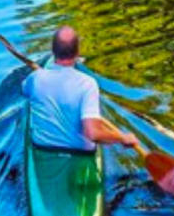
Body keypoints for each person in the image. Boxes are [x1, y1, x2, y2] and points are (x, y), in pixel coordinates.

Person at [23, 26, 141, 155]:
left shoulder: (35, 78)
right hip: (80, 152)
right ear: (77, 53)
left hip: (42, 147)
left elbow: (25, 91)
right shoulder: (88, 84)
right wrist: (122, 138)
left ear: (53, 51)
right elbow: (93, 134)